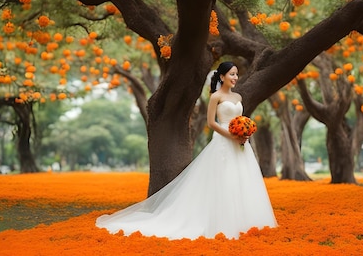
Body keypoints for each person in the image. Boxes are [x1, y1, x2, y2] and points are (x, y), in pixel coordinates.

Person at [96, 61, 277, 240]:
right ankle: (222, 223)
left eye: (236, 74)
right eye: (231, 74)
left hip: (240, 144)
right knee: (224, 179)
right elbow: (211, 123)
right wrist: (231, 135)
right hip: (223, 141)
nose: (235, 77)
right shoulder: (215, 97)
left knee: (242, 179)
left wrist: (245, 132)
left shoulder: (238, 98)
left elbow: (240, 118)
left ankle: (246, 222)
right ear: (222, 77)